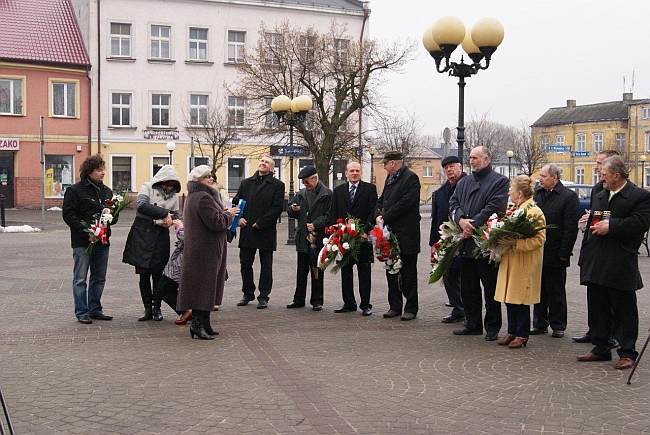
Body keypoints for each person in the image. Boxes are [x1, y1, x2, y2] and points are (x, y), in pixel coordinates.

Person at [577, 156, 650, 369]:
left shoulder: (639, 196)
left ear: (617, 175)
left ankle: (627, 352)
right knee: (597, 307)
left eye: (604, 175)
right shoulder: (600, 194)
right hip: (597, 260)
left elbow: (641, 223)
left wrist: (612, 227)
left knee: (624, 309)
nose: (601, 178)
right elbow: (595, 220)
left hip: (620, 260)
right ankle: (600, 347)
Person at [449, 146, 509, 340]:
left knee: (490, 287)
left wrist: (471, 225)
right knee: (468, 287)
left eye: (475, 158)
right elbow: (454, 203)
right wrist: (460, 220)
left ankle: (492, 327)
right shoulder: (464, 182)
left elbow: (494, 207)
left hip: (484, 244)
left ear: (487, 159)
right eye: (470, 158)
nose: (472, 161)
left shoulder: (500, 181)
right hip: (465, 244)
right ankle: (472, 323)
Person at [178, 166, 238, 339]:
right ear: (198, 180)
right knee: (203, 286)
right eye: (206, 177)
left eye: (211, 176)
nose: (210, 179)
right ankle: (198, 324)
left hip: (203, 248)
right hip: (205, 249)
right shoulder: (203, 197)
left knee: (205, 285)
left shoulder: (195, 195)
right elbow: (216, 222)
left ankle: (204, 322)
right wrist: (229, 215)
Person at [573, 149, 620, 344]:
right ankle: (595, 330)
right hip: (592, 246)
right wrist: (589, 218)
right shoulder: (596, 189)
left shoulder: (619, 191)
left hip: (610, 251)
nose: (596, 167)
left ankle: (611, 334)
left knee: (610, 297)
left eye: (600, 163)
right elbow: (595, 212)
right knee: (593, 294)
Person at [123, 165, 181, 322]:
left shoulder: (175, 196)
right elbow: (141, 206)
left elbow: (176, 215)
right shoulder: (147, 187)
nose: (169, 187)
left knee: (158, 275)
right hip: (142, 235)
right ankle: (147, 308)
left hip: (160, 237)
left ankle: (157, 308)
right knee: (143, 275)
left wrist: (172, 220)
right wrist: (163, 213)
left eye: (172, 185)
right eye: (167, 183)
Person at [494, 175, 546, 349]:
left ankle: (522, 334)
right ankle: (512, 330)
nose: (509, 192)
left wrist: (515, 243)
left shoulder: (534, 211)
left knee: (520, 298)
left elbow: (539, 239)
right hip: (511, 260)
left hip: (524, 262)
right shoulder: (516, 208)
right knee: (509, 297)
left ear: (520, 193)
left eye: (511, 189)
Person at [62, 154, 115, 324]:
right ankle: (82, 312)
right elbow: (69, 215)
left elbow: (113, 215)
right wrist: (86, 231)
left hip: (103, 241)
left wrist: (111, 217)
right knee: (80, 278)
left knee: (99, 277)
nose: (103, 173)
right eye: (99, 170)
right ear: (89, 171)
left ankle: (95, 309)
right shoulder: (75, 190)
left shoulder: (107, 191)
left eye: (103, 169)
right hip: (82, 242)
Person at [530, 164, 579, 338]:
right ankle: (539, 323)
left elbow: (570, 228)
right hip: (537, 250)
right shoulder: (538, 194)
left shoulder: (568, 197)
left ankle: (558, 325)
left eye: (543, 176)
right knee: (539, 289)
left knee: (556, 290)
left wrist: (564, 253)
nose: (540, 179)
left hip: (556, 250)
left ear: (554, 177)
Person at [232, 156, 285, 309]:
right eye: (261, 161)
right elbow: (237, 202)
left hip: (265, 230)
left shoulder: (278, 185)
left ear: (271, 168)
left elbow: (277, 208)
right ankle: (248, 293)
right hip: (247, 229)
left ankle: (263, 296)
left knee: (266, 265)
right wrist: (239, 218)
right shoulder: (246, 183)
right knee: (245, 264)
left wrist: (261, 223)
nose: (262, 163)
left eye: (266, 162)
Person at [376, 151, 421, 321]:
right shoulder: (390, 178)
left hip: (407, 234)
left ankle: (411, 308)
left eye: (385, 164)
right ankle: (394, 306)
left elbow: (405, 203)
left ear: (393, 163)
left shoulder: (410, 178)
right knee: (391, 269)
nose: (384, 167)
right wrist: (378, 213)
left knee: (408, 271)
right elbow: (383, 199)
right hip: (390, 234)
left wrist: (385, 216)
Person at [329, 161, 377, 316]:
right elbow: (333, 213)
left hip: (363, 239)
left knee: (364, 273)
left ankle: (365, 305)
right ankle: (349, 303)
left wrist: (366, 230)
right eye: (352, 171)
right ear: (346, 173)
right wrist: (336, 232)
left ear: (360, 172)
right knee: (346, 272)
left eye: (357, 170)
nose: (354, 173)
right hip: (344, 239)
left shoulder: (370, 189)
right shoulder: (338, 191)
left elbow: (373, 212)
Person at [287, 166, 332, 311]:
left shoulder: (328, 194)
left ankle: (317, 300)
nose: (305, 185)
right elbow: (290, 210)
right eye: (304, 183)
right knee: (301, 270)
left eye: (307, 182)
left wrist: (316, 224)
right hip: (303, 238)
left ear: (315, 178)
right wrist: (293, 209)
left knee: (317, 270)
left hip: (319, 238)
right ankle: (298, 299)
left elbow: (329, 215)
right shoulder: (301, 194)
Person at [429, 155, 466, 323]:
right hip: (445, 240)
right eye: (446, 167)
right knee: (448, 275)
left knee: (465, 277)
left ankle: (468, 309)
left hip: (465, 239)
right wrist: (433, 243)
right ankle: (458, 308)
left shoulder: (468, 185)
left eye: (452, 166)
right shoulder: (440, 193)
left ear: (460, 167)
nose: (449, 169)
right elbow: (435, 219)